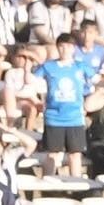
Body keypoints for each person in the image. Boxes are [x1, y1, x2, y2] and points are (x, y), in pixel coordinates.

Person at [30, 32, 98, 177]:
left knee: (75, 154)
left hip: (75, 117)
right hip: (54, 117)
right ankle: (48, 183)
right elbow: (32, 81)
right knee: (52, 154)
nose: (64, 50)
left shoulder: (80, 66)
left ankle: (76, 184)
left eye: (68, 46)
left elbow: (98, 81)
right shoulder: (48, 66)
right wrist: (36, 100)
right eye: (61, 46)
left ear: (73, 48)